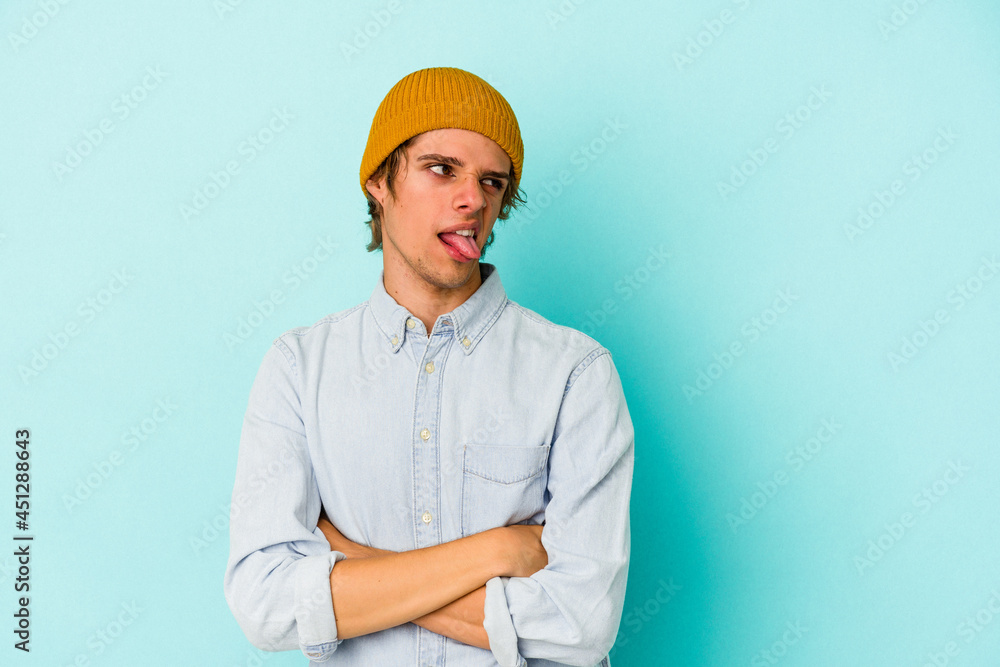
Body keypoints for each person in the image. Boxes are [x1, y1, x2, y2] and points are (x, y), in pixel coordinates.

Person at [224, 66, 635, 667]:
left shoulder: (576, 373)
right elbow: (263, 603)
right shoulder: (298, 368)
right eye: (441, 169)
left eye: (492, 182)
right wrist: (498, 550)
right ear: (379, 183)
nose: (472, 199)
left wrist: (353, 568)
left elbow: (582, 624)